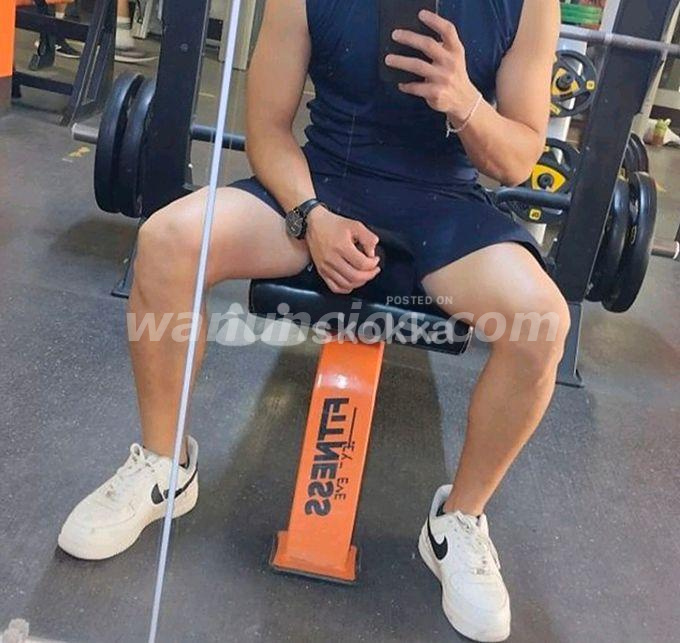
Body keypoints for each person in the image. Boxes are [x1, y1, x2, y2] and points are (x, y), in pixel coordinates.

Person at [58, 1, 565, 640]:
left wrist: (464, 102)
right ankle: (165, 467)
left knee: (542, 322)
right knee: (168, 242)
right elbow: (268, 128)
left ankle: (457, 523)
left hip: (445, 205)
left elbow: (518, 158)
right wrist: (311, 216)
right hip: (323, 183)